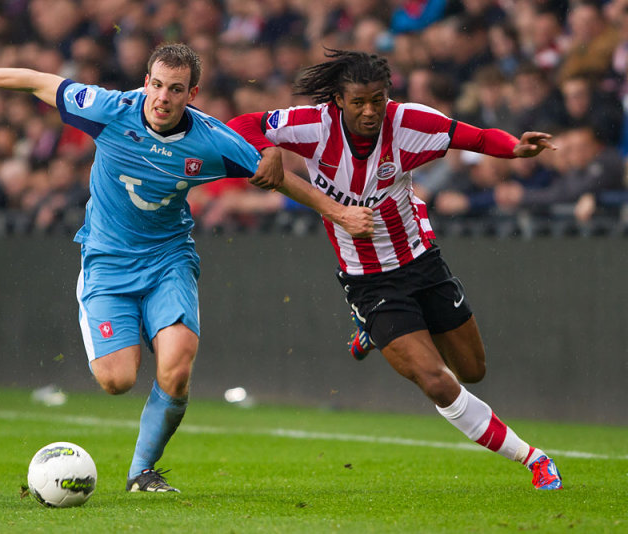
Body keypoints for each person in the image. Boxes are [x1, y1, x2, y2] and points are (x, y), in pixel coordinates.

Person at [0, 43, 372, 493]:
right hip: (107, 261)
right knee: (117, 381)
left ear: (192, 94)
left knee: (176, 367)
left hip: (168, 258)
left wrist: (339, 212)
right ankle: (109, 322)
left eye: (175, 89)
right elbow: (37, 81)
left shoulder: (210, 140)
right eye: (156, 85)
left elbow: (278, 177)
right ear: (144, 82)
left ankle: (142, 472)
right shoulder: (109, 109)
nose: (162, 97)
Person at [227, 49, 563, 490]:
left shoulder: (411, 122)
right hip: (368, 279)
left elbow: (477, 138)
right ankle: (533, 458)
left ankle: (371, 333)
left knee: (473, 369)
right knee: (436, 382)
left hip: (423, 261)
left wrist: (514, 147)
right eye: (358, 102)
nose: (370, 111)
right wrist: (269, 148)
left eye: (378, 100)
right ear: (338, 101)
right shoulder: (312, 124)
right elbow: (241, 125)